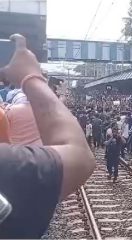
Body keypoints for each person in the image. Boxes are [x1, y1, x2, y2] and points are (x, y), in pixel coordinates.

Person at [0, 34, 95, 238]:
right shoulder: (5, 166)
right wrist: (31, 77)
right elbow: (80, 157)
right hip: (36, 161)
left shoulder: (9, 112)